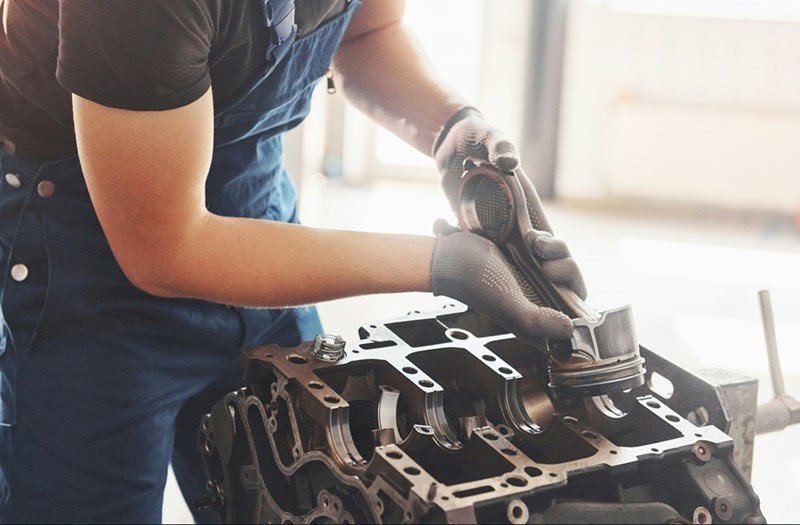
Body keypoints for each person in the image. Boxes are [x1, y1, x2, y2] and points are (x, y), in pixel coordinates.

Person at [0, 0, 585, 522]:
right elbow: (164, 248)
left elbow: (366, 31)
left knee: (306, 492)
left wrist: (453, 126)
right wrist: (445, 264)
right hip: (86, 262)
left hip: (255, 219)